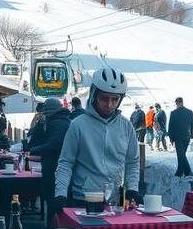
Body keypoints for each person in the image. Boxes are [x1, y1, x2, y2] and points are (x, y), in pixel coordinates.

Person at [53, 67, 141, 214]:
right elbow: (66, 162)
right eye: (104, 98)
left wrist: (132, 189)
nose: (109, 104)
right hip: (84, 198)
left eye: (115, 99)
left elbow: (132, 162)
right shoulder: (78, 125)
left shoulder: (126, 126)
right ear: (94, 95)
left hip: (116, 198)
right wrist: (60, 194)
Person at [27, 98, 71, 217]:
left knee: (51, 197)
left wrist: (35, 150)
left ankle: (52, 226)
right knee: (51, 197)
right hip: (53, 164)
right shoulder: (61, 121)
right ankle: (51, 225)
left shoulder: (57, 123)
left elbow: (54, 144)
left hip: (53, 165)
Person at [167, 97, 193, 177]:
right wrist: (192, 133)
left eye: (176, 103)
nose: (177, 105)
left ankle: (180, 172)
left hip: (178, 137)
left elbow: (170, 126)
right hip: (187, 136)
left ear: (177, 103)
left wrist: (171, 137)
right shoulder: (189, 112)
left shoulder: (173, 113)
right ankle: (187, 172)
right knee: (182, 154)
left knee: (181, 155)